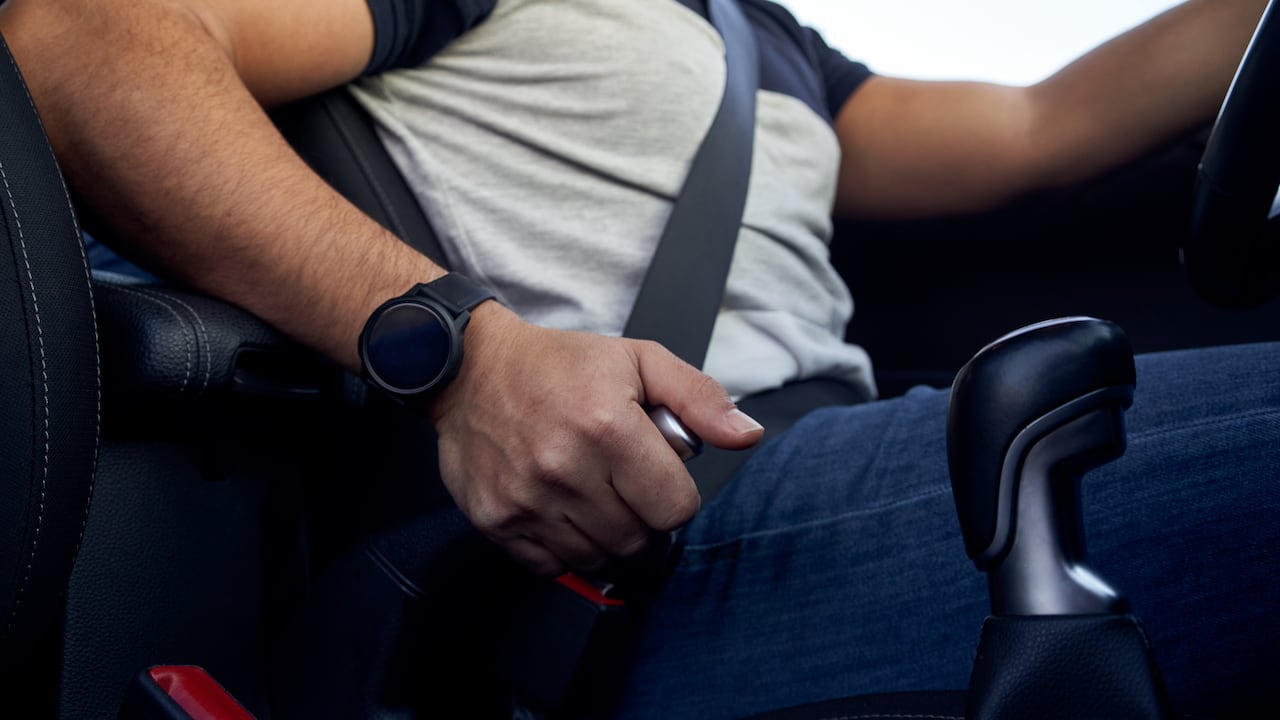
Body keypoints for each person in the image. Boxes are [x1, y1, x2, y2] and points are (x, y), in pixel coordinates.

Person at [0, 0, 1275, 717]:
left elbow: (1038, 124)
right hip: (650, 541)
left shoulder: (773, 47)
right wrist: (458, 352)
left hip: (846, 462)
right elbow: (83, 34)